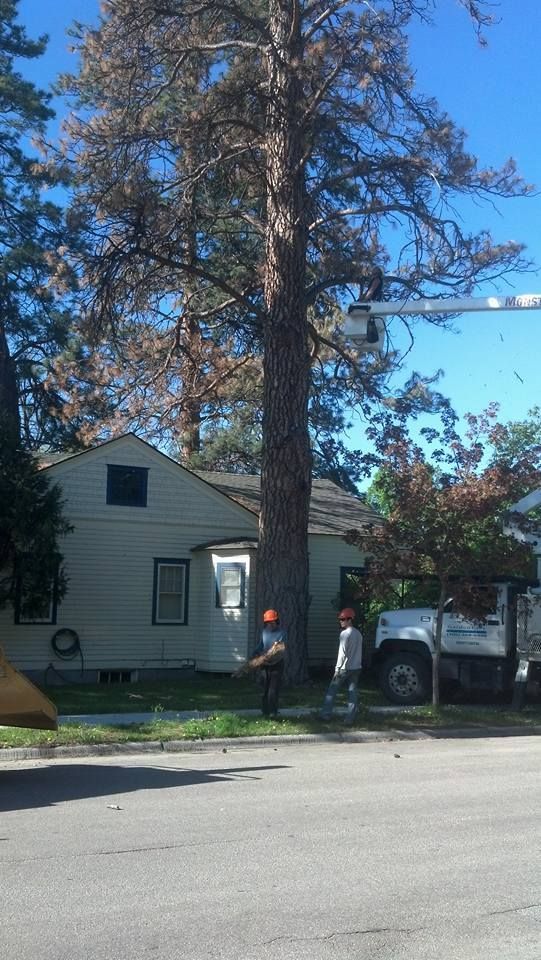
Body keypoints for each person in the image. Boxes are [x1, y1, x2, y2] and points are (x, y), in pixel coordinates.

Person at [320, 607, 363, 724]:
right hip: (356, 668)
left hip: (344, 668)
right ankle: (350, 719)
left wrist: (337, 669)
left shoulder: (344, 634)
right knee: (352, 692)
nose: (341, 621)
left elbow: (342, 653)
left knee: (331, 691)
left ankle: (325, 715)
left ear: (350, 619)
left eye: (343, 619)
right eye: (340, 619)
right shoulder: (358, 634)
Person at [251, 609, 287, 718]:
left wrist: (269, 654)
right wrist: (255, 653)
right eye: (268, 623)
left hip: (277, 664)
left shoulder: (282, 633)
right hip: (265, 664)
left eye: (272, 622)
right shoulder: (264, 632)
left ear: (277, 621)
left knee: (273, 690)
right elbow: (261, 645)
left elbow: (279, 648)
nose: (270, 625)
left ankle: (273, 712)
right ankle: (265, 711)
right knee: (265, 689)